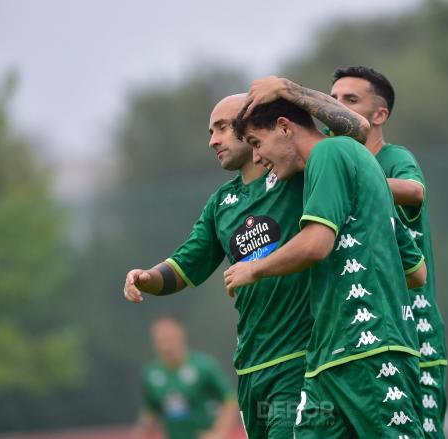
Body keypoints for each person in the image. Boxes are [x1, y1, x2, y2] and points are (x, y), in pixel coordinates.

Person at [123, 92, 369, 438]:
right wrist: (147, 278)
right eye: (210, 131)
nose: (213, 140)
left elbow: (354, 131)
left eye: (223, 127)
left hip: (302, 360)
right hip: (252, 367)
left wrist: (285, 89)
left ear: (251, 124)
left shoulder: (301, 171)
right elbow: (185, 265)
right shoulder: (222, 203)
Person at [227, 97, 427, 438]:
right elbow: (414, 271)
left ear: (285, 128)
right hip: (328, 360)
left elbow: (317, 243)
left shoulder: (329, 153)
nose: (257, 157)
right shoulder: (356, 171)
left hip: (369, 349)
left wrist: (255, 269)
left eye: (257, 143)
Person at [331, 65, 448, 438]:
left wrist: (357, 176)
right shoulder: (330, 164)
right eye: (332, 100)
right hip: (358, 338)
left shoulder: (395, 159)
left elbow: (415, 192)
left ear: (379, 114)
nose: (338, 107)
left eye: (350, 100)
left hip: (413, 329)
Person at [133, 316, 237, 439]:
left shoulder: (203, 366)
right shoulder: (151, 374)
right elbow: (151, 410)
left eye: (169, 339)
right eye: (160, 340)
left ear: (181, 336)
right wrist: (141, 432)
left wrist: (219, 432)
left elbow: (230, 399)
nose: (165, 346)